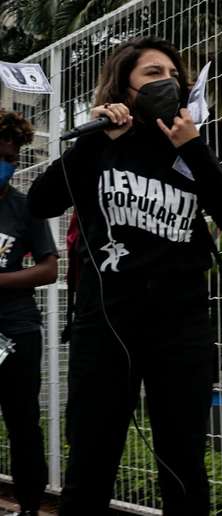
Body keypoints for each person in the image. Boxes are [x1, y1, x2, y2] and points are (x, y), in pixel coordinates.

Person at [27, 37, 222, 515]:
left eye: (173, 74)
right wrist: (95, 142)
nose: (166, 80)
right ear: (124, 88)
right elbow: (40, 203)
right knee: (92, 456)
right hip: (105, 322)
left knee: (183, 459)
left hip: (181, 324)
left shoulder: (187, 147)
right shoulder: (98, 144)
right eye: (152, 73)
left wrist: (194, 147)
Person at [0, 110, 58, 516]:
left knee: (22, 423)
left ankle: (30, 507)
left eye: (12, 157)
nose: (7, 164)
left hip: (17, 330)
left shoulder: (26, 207)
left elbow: (50, 268)